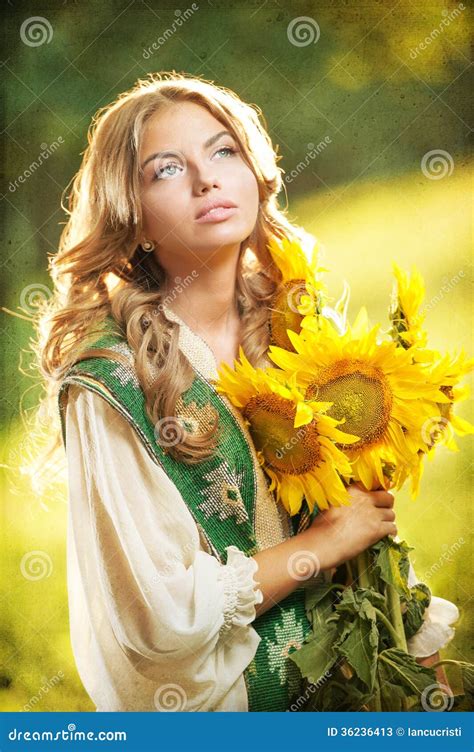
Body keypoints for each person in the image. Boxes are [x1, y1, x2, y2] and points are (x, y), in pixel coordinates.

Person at [38, 72, 458, 711]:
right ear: (134, 217)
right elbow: (160, 620)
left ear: (254, 171)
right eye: (166, 170)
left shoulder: (303, 326)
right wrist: (318, 548)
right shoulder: (112, 381)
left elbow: (364, 523)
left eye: (222, 151)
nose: (206, 179)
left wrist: (421, 659)